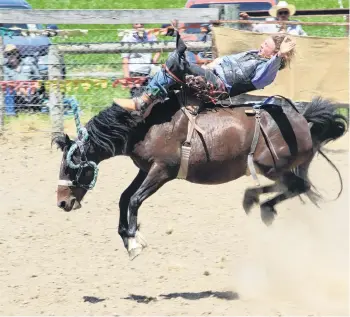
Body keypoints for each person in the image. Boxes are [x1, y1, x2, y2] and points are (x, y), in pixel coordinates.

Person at [114, 32, 296, 121]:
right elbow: (227, 60)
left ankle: (142, 103)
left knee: (177, 63)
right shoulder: (254, 55)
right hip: (212, 75)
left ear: (275, 53)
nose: (261, 46)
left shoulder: (266, 72)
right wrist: (211, 65)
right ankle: (151, 102)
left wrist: (279, 56)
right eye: (264, 42)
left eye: (266, 45)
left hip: (220, 87)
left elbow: (265, 72)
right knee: (174, 63)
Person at [120, 23, 161, 98]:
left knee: (153, 96)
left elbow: (159, 49)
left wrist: (154, 60)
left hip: (149, 73)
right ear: (133, 24)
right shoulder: (127, 38)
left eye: (141, 23)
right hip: (135, 73)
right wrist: (127, 77)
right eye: (136, 23)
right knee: (138, 98)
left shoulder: (149, 35)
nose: (139, 25)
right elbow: (125, 59)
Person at [240, 1, 307, 36]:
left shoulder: (295, 25)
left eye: (285, 12)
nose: (283, 15)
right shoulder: (269, 24)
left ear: (289, 14)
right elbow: (254, 29)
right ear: (276, 15)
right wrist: (247, 20)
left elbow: (305, 37)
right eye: (280, 13)